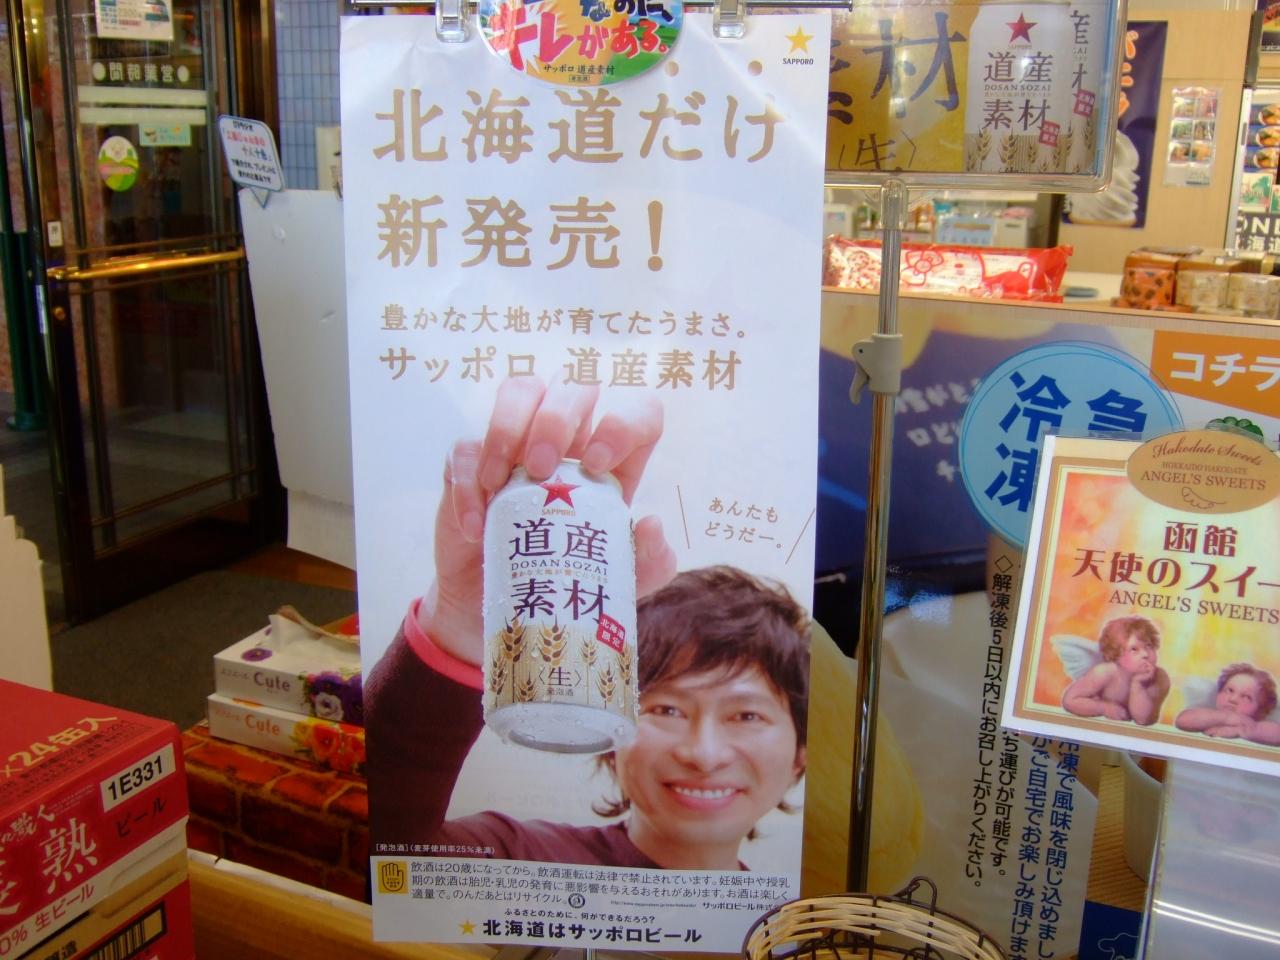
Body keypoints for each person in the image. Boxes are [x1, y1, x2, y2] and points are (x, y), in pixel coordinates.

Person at [365, 377, 811, 871]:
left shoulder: (801, 913)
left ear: (801, 752)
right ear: (614, 730)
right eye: (665, 709)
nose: (703, 756)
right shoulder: (515, 857)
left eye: (747, 716)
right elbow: (387, 854)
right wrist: (459, 623)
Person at [1061, 615, 1170, 725]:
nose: (1145, 654)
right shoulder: (1105, 672)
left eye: (1149, 646)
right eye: (1134, 649)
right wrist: (1103, 708)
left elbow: (1143, 720)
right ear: (1116, 655)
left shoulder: (1160, 678)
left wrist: (1137, 685)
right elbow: (1070, 701)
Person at [1175, 663, 1280, 746]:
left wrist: (1240, 730)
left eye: (1246, 697)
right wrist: (1227, 718)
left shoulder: (1259, 725)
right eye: (1229, 690)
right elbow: (1182, 720)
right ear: (1218, 693)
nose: (1233, 699)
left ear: (1260, 710)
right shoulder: (1208, 713)